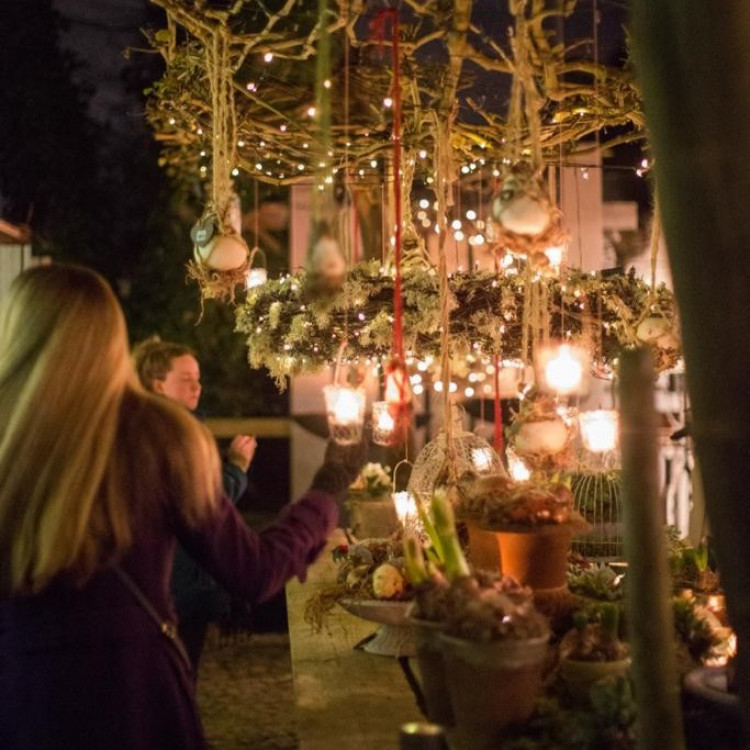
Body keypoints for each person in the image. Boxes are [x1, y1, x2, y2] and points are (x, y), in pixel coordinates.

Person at [0, 264, 363, 750]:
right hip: (134, 701)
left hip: (21, 699)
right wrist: (329, 486)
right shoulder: (159, 436)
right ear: (111, 339)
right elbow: (253, 572)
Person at [132, 337, 256, 668]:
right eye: (186, 380)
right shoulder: (168, 437)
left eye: (198, 379)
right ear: (158, 385)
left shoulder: (175, 428)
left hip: (181, 586)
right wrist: (238, 468)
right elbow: (204, 505)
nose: (197, 388)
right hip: (175, 588)